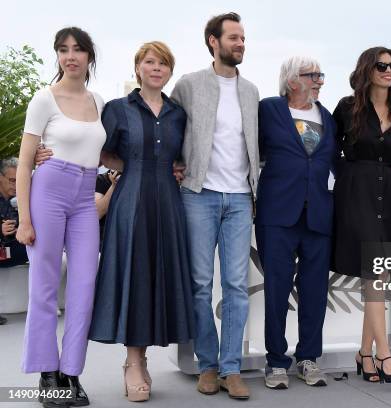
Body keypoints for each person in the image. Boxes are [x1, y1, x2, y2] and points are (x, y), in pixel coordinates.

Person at [86, 41, 194, 402]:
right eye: (150, 62)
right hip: (131, 201)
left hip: (168, 202)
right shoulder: (118, 109)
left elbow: (182, 155)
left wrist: (173, 168)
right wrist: (128, 167)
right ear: (138, 67)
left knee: (159, 277)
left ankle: (144, 359)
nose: (156, 68)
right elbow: (100, 151)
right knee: (135, 277)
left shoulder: (179, 113)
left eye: (163, 63)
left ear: (169, 71)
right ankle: (133, 363)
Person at [171, 12, 259, 400]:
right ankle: (207, 365)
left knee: (237, 286)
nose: (241, 43)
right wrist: (173, 163)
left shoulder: (252, 91)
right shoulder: (189, 85)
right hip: (198, 195)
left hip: (240, 198)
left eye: (243, 38)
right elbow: (168, 126)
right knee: (200, 285)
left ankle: (231, 368)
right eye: (234, 37)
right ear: (213, 41)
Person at [16, 27, 106, 407]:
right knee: (45, 287)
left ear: (89, 57)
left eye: (78, 50)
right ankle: (46, 374)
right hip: (48, 192)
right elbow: (24, 162)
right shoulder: (43, 99)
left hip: (86, 197)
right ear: (57, 56)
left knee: (85, 288)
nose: (71, 56)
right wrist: (24, 219)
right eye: (63, 50)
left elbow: (108, 155)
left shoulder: (100, 101)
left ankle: (71, 373)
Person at [256, 56, 337, 389]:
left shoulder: (328, 117)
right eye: (312, 75)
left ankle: (308, 358)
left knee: (315, 291)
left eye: (321, 75)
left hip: (319, 215)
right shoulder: (269, 110)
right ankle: (276, 362)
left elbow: (335, 161)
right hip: (278, 214)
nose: (319, 80)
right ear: (292, 81)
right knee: (276, 290)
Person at [332, 46, 391, 384]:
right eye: (381, 66)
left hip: (390, 197)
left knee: (378, 278)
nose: (388, 71)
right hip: (358, 196)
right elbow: (327, 151)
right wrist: (347, 174)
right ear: (367, 69)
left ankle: (364, 355)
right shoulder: (347, 108)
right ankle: (384, 354)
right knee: (375, 277)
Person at [0, 157, 28, 326]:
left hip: (15, 249)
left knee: (45, 249)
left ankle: (45, 304)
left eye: (19, 180)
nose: (15, 185)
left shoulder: (23, 197)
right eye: (12, 180)